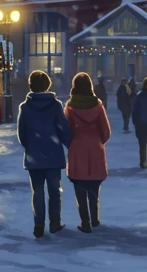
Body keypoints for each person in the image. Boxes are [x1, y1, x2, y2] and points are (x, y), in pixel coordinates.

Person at [17, 69, 72, 237]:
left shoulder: (25, 107)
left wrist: (31, 146)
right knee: (54, 191)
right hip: (53, 154)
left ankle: (38, 225)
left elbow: (22, 133)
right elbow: (63, 129)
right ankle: (55, 223)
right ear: (48, 85)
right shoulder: (55, 105)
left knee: (38, 192)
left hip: (34, 155)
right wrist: (69, 144)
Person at [64, 72, 111, 233]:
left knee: (80, 188)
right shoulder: (98, 106)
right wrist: (97, 141)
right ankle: (95, 219)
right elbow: (106, 131)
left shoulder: (70, 107)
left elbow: (66, 131)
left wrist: (73, 142)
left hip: (77, 149)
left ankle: (85, 222)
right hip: (95, 148)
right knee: (94, 188)